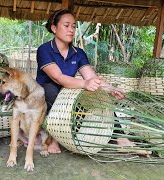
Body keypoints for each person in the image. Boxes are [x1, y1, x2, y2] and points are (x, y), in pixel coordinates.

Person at [36, 9, 149, 155]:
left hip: (68, 91)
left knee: (97, 93)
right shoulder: (44, 50)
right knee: (52, 90)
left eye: (74, 26)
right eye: (66, 25)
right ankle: (54, 137)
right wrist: (84, 84)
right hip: (46, 92)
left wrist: (110, 88)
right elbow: (57, 77)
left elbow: (90, 77)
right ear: (54, 28)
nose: (71, 30)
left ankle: (121, 139)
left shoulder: (78, 53)